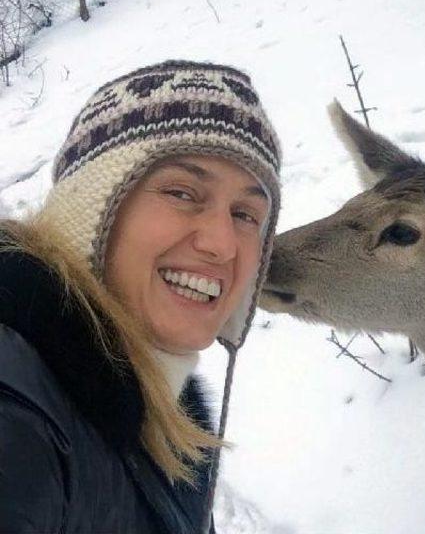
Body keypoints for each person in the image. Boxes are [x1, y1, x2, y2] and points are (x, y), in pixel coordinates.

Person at [0, 60, 281, 533]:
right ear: (92, 209)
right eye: (182, 192)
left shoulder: (165, 414)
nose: (222, 243)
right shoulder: (19, 413)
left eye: (246, 214)